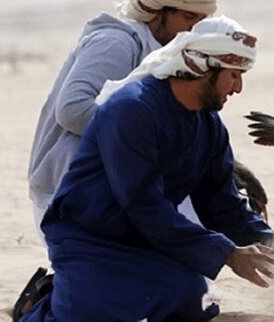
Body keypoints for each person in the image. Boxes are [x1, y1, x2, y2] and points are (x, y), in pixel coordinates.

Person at [17, 15, 274, 322]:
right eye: (234, 75)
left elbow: (223, 205)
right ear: (202, 68)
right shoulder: (132, 109)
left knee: (192, 300)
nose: (238, 87)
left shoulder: (210, 127)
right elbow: (143, 205)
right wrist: (228, 254)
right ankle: (40, 303)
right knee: (86, 315)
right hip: (87, 235)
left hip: (143, 238)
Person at [27, 0, 216, 242]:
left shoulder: (171, 55)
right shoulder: (116, 43)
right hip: (73, 194)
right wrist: (145, 135)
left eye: (202, 21)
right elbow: (72, 110)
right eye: (188, 18)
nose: (194, 29)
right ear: (156, 13)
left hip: (133, 188)